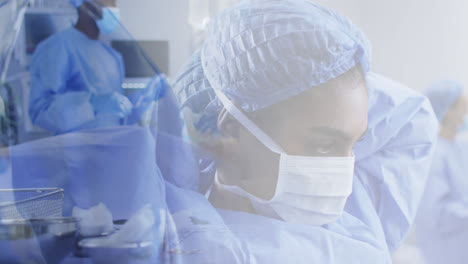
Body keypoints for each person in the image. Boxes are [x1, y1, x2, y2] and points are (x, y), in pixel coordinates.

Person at [165, 0, 438, 262]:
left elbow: (413, 117)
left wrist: (327, 72)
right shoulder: (187, 246)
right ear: (232, 131)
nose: (346, 173)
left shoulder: (349, 227)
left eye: (354, 146)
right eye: (323, 146)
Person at [28, 0, 133, 134]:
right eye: (108, 2)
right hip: (76, 151)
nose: (114, 8)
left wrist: (141, 101)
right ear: (86, 6)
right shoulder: (57, 47)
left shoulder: (111, 55)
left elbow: (114, 115)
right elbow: (40, 111)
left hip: (110, 148)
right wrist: (91, 104)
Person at [414, 80, 468, 264]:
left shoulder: (460, 149)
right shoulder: (434, 155)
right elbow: (434, 214)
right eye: (463, 108)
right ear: (447, 111)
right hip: (447, 252)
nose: (466, 113)